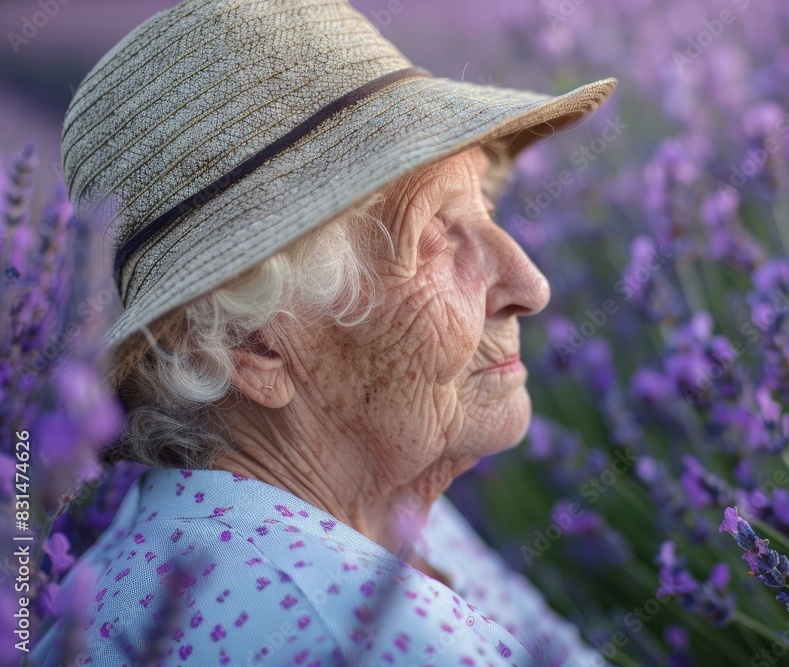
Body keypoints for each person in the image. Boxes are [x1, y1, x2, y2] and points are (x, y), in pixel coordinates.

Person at [30, 0, 617, 665]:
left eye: (483, 208)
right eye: (436, 235)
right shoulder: (370, 636)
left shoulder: (381, 505)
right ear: (252, 344)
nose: (531, 283)